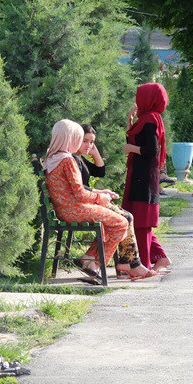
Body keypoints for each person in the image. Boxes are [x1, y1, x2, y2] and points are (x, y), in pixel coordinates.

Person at [44, 120, 130, 280]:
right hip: (75, 210)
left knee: (113, 222)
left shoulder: (51, 157)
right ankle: (95, 265)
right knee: (121, 223)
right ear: (70, 138)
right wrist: (100, 197)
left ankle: (91, 259)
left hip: (63, 210)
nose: (79, 142)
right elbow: (80, 194)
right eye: (78, 138)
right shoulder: (67, 160)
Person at [73, 124, 154, 279]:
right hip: (86, 203)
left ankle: (128, 263)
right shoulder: (73, 159)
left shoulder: (79, 158)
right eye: (85, 141)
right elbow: (78, 187)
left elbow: (100, 172)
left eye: (92, 142)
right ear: (76, 138)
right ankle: (130, 264)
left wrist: (94, 151)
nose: (88, 145)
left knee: (126, 217)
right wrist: (99, 192)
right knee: (126, 218)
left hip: (90, 201)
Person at [123, 82, 172, 272]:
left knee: (141, 220)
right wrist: (130, 121)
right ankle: (161, 258)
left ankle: (143, 265)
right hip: (141, 174)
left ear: (149, 99)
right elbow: (135, 138)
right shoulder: (147, 118)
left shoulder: (150, 119)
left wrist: (131, 149)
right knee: (138, 218)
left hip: (143, 176)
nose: (137, 101)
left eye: (140, 97)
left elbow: (151, 150)